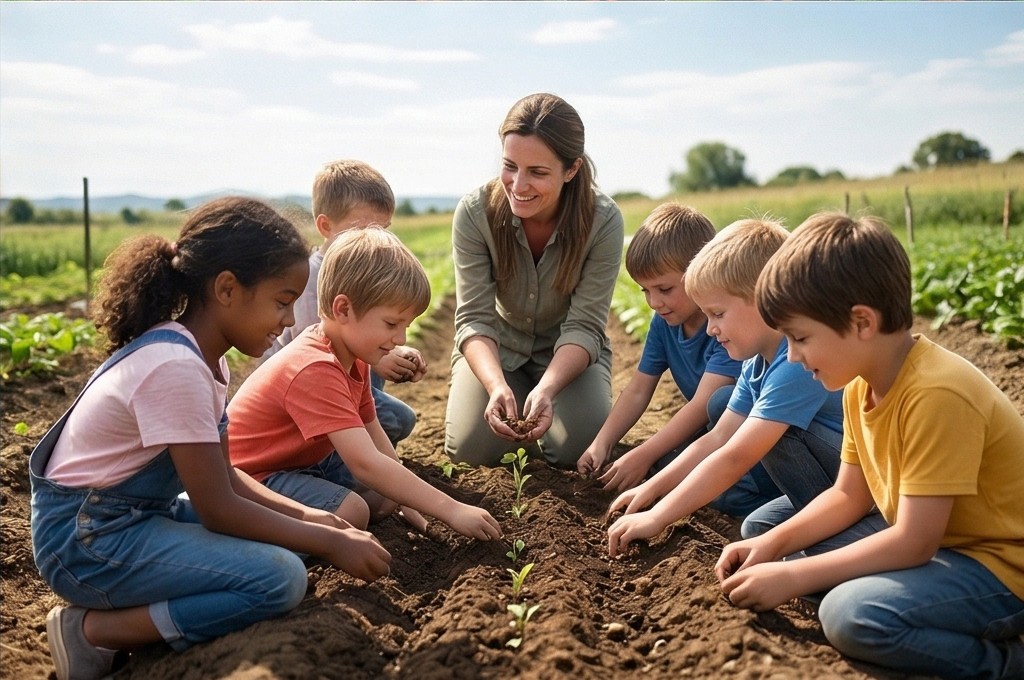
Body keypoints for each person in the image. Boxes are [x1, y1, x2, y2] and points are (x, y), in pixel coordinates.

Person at [30, 197, 392, 680]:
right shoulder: (176, 367)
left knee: (290, 542)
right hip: (87, 541)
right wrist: (330, 541)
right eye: (282, 301)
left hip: (131, 516)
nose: (289, 320)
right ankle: (94, 632)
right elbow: (219, 506)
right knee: (279, 579)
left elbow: (229, 478)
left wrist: (316, 519)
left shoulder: (203, 358)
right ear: (226, 289)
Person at [715, 212, 1024, 679]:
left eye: (800, 338)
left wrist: (793, 575)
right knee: (774, 541)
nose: (793, 355)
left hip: (999, 566)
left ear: (861, 322)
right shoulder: (860, 387)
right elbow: (848, 495)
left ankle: (1008, 662)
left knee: (850, 614)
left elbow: (915, 541)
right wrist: (771, 545)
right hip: (943, 543)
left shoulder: (937, 393)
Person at [228, 227, 503, 542]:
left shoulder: (354, 357)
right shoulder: (315, 367)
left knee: (386, 497)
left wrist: (411, 505)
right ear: (343, 309)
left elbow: (375, 439)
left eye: (406, 326)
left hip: (299, 463)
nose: (400, 339)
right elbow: (365, 464)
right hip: (252, 479)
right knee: (353, 512)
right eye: (391, 324)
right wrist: (451, 510)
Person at [607, 218, 844, 557]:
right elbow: (718, 437)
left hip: (860, 486)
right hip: (826, 477)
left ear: (765, 301)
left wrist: (657, 517)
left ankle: (841, 531)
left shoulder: (797, 363)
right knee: (756, 527)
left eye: (717, 314)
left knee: (777, 431)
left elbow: (737, 455)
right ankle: (818, 531)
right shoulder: (756, 362)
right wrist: (652, 490)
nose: (710, 329)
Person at [444, 92, 625, 469]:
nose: (518, 184)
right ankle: (512, 395)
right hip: (500, 350)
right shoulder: (475, 214)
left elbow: (585, 325)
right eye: (510, 166)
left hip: (567, 355)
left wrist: (547, 388)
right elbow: (474, 318)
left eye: (538, 172)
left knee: (580, 448)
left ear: (571, 170)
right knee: (471, 451)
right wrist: (495, 385)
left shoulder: (603, 221)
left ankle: (545, 404)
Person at [576, 203, 744, 494]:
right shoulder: (665, 324)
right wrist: (602, 443)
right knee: (664, 462)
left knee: (672, 460)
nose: (654, 302)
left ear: (701, 273)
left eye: (664, 289)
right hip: (708, 432)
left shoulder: (723, 326)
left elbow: (702, 405)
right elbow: (639, 389)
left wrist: (643, 455)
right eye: (645, 290)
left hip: (740, 431)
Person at [262, 159, 424, 448]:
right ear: (326, 226)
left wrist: (397, 353)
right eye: (362, 229)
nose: (374, 239)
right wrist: (381, 360)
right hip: (303, 393)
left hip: (342, 383)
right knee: (398, 419)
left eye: (383, 229)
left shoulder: (366, 273)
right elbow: (315, 355)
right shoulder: (311, 278)